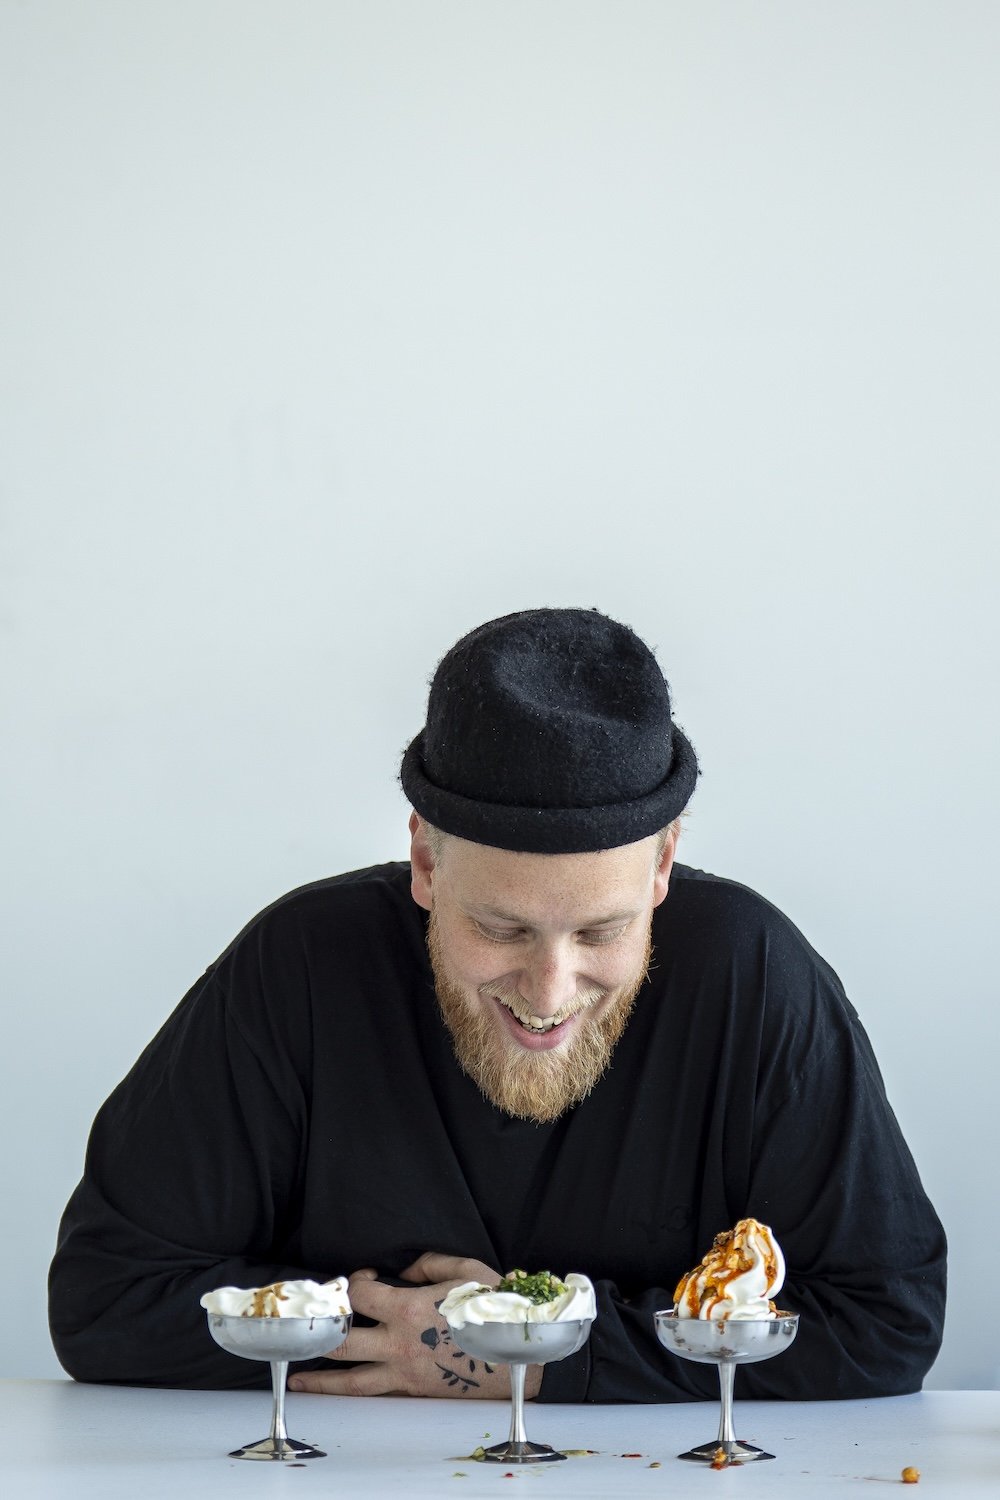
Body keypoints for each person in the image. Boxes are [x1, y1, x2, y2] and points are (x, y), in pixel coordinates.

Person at [49, 608, 946, 1403]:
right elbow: (107, 1300)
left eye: (600, 932)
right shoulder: (302, 965)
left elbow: (885, 1320)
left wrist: (526, 1348)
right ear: (426, 864)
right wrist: (411, 1339)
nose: (550, 992)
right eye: (501, 928)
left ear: (663, 865)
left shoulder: (754, 974)